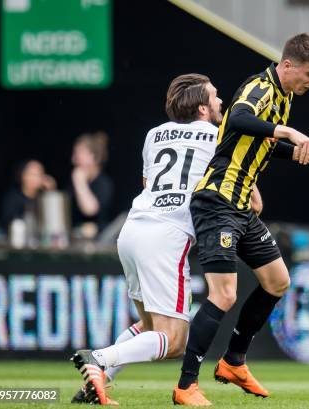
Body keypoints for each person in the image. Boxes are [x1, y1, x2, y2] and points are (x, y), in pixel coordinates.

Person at [173, 33, 309, 406]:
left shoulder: (284, 97)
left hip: (240, 207)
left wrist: (304, 155)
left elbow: (258, 142)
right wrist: (289, 132)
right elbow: (241, 119)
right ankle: (186, 385)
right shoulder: (260, 87)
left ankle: (233, 362)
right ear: (287, 66)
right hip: (216, 201)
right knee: (224, 294)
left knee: (278, 281)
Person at [71, 73, 237, 405]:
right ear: (203, 108)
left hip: (132, 231)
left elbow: (149, 183)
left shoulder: (154, 134)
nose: (222, 102)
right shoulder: (220, 135)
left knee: (149, 326)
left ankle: (96, 385)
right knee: (174, 341)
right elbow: (237, 188)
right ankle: (99, 360)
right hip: (167, 236)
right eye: (216, 96)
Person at [69, 131, 114, 237]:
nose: (73, 160)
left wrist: (79, 182)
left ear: (94, 157)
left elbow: (90, 210)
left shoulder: (104, 184)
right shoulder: (73, 184)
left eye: (78, 154)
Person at [0, 159, 56, 232]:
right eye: (33, 174)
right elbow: (7, 223)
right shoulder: (12, 198)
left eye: (40, 174)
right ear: (23, 176)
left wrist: (50, 192)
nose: (37, 178)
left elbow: (52, 220)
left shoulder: (44, 197)